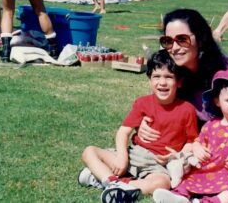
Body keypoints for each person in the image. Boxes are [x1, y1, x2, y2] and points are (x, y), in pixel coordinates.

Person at [138, 9, 228, 177]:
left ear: (201, 39)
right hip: (193, 143)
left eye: (182, 39)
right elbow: (160, 105)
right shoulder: (174, 71)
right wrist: (145, 122)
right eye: (168, 41)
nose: (174, 48)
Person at [78, 50, 199, 202]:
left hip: (157, 164)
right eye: (156, 77)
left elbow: (192, 141)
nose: (162, 82)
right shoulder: (143, 103)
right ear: (149, 80)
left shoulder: (187, 109)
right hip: (133, 155)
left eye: (169, 77)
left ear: (179, 82)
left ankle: (114, 184)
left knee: (162, 183)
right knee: (89, 151)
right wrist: (122, 157)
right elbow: (123, 132)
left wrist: (176, 155)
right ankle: (110, 181)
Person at [153, 68, 228, 203]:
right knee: (190, 177)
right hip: (211, 170)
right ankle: (180, 196)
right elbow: (198, 141)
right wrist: (197, 147)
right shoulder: (211, 125)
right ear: (217, 102)